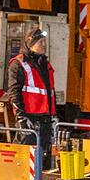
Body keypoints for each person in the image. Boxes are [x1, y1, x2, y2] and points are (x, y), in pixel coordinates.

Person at [7, 28, 56, 165]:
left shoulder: (45, 64)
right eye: (41, 42)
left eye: (44, 42)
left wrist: (53, 115)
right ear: (31, 44)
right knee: (24, 157)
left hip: (45, 118)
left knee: (44, 156)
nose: (44, 45)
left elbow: (50, 92)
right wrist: (21, 117)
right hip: (29, 117)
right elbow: (14, 92)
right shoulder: (19, 63)